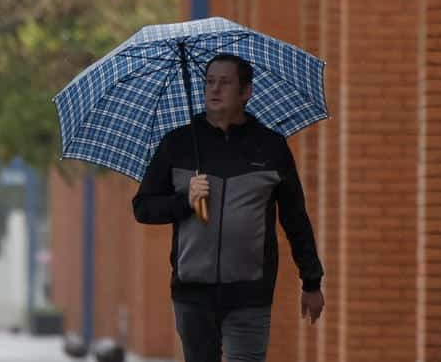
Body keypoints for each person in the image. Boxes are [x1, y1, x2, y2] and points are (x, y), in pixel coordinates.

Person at [132, 54, 325, 362]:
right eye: (209, 82)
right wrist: (185, 201)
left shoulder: (271, 147)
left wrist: (312, 281)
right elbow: (142, 208)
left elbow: (295, 218)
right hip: (192, 294)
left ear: (245, 92)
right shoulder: (177, 144)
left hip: (251, 293)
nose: (215, 89)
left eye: (225, 82)